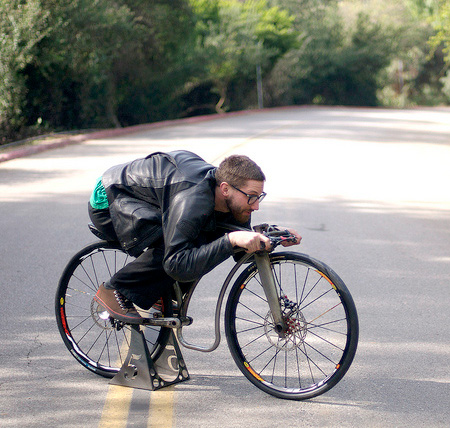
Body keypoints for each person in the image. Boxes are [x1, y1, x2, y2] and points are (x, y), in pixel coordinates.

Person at [89, 150, 301, 324]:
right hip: (109, 200)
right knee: (181, 246)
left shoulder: (230, 201)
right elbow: (175, 264)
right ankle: (113, 290)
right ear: (225, 189)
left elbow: (241, 250)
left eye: (259, 197)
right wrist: (230, 240)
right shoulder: (191, 199)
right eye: (251, 197)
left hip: (148, 200)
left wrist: (270, 236)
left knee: (212, 235)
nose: (256, 205)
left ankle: (159, 296)